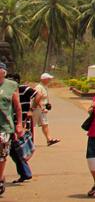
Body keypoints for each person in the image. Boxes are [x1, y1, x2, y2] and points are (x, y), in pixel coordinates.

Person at [0, 62, 26, 195]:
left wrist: (19, 124)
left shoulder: (11, 86)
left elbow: (17, 107)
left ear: (4, 72)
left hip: (4, 126)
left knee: (1, 155)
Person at [10, 73, 32, 184]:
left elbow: (18, 109)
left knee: (14, 150)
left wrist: (20, 124)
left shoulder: (22, 89)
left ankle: (25, 172)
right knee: (14, 150)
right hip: (10, 124)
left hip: (11, 125)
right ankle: (25, 173)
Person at [32, 72, 59, 146]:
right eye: (48, 79)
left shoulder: (45, 87)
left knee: (45, 124)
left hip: (43, 109)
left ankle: (49, 139)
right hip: (37, 109)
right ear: (43, 79)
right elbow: (37, 99)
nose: (50, 80)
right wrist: (42, 108)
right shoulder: (38, 87)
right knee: (31, 125)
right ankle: (29, 141)